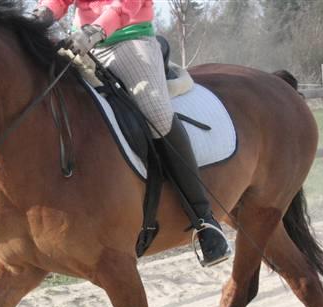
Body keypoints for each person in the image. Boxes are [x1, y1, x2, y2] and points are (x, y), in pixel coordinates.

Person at [34, 0, 231, 266]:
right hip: (81, 43)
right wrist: (42, 15)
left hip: (129, 41)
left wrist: (95, 30)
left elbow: (126, 4)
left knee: (157, 116)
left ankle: (205, 221)